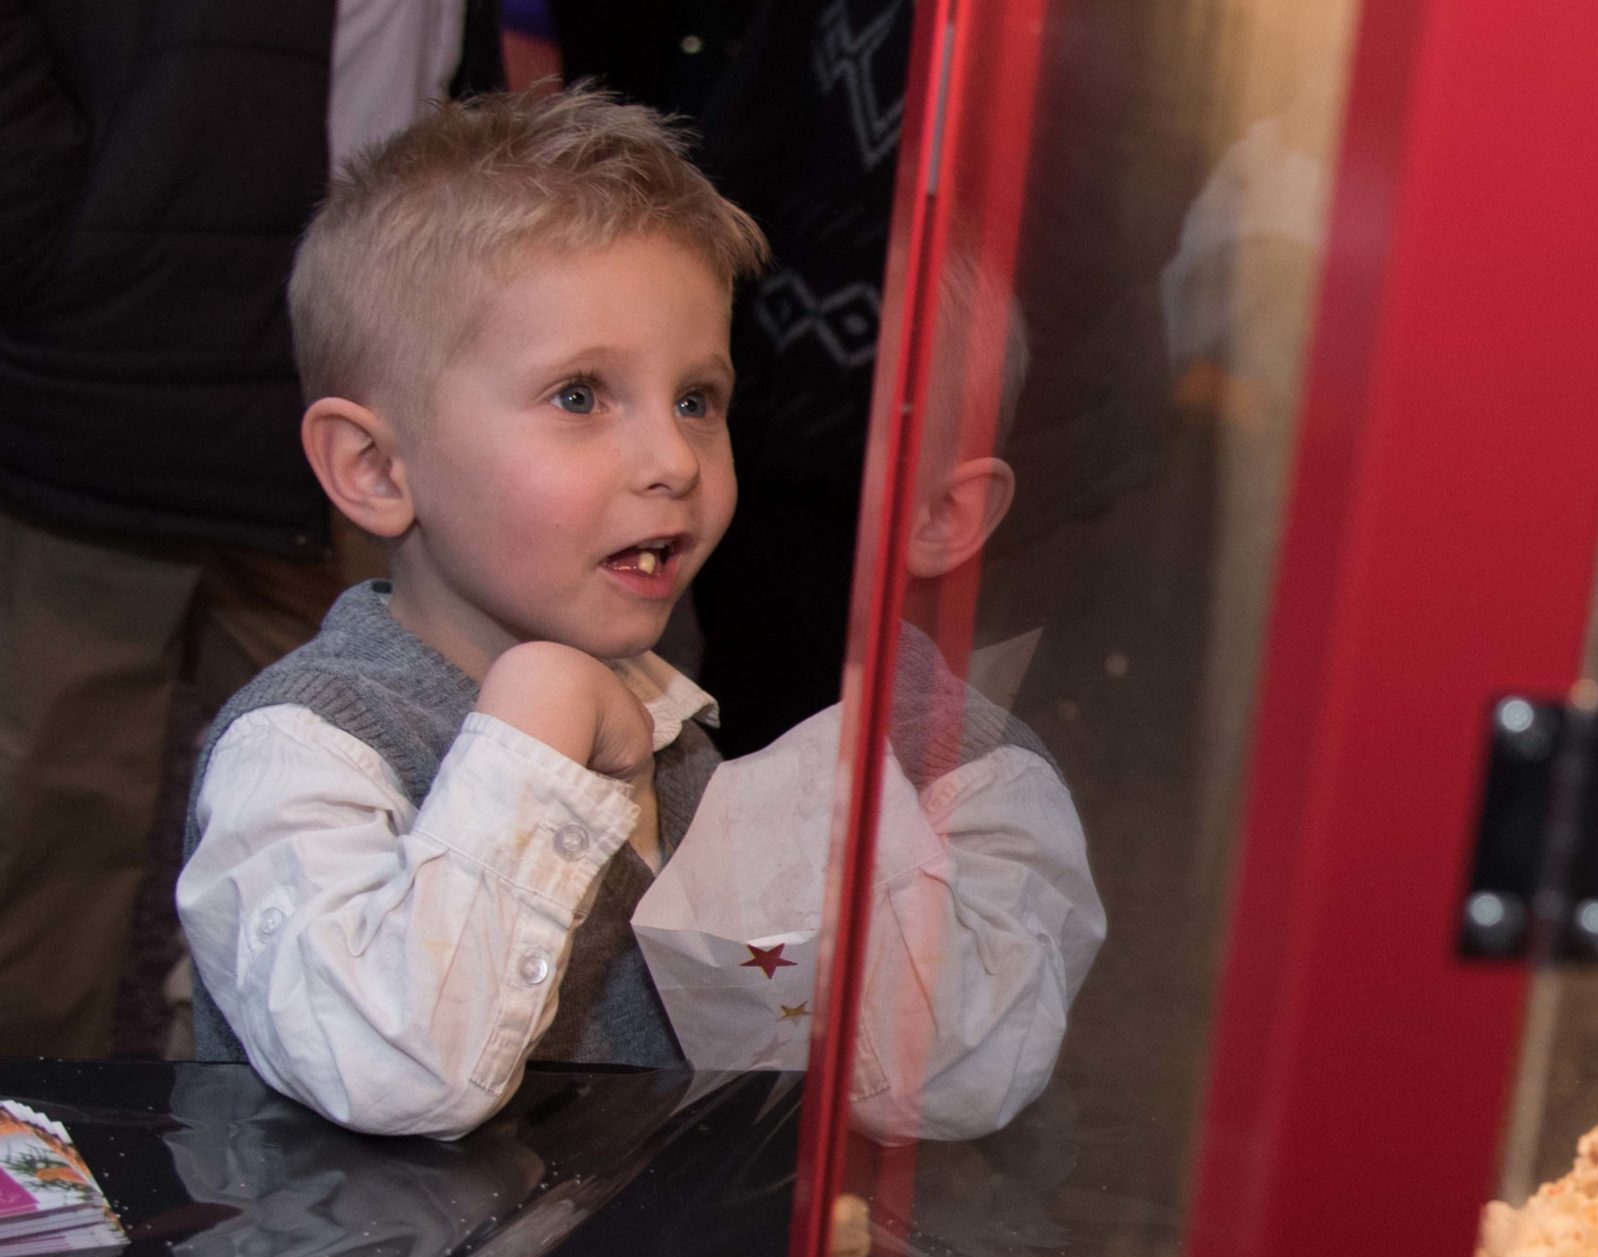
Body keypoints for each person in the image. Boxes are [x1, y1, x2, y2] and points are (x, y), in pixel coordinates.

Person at [179, 87, 1100, 1140]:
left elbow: (909, 1088)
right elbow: (392, 1066)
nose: (673, 461)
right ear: (377, 467)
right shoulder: (302, 749)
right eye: (580, 395)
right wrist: (535, 723)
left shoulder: (674, 739)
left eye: (697, 400)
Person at [0, 0, 502, 1060]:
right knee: (51, 836)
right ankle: (36, 1171)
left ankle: (260, 1165)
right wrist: (55, 248)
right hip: (117, 369)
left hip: (361, 401)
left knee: (369, 810)